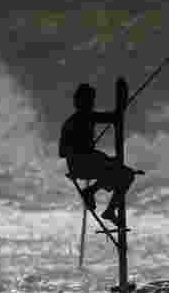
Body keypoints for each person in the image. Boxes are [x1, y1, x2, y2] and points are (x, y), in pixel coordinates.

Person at [59, 83, 140, 224]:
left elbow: (62, 152)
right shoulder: (81, 119)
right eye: (89, 100)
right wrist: (80, 148)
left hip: (84, 164)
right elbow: (113, 117)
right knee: (125, 174)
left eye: (91, 100)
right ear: (81, 101)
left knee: (124, 173)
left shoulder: (76, 120)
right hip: (83, 164)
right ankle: (97, 198)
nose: (91, 104)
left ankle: (99, 200)